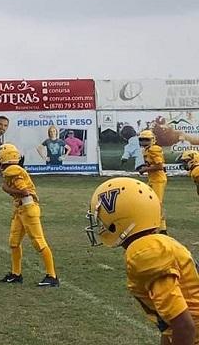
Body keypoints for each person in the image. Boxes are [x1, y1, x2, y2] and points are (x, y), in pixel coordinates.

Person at [87, 177, 199, 343]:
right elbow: (171, 326)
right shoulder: (156, 242)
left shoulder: (145, 252)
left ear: (117, 218)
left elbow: (184, 326)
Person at [0, 143, 58, 287]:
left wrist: (7, 189)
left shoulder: (13, 170)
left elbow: (24, 192)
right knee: (14, 242)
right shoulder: (13, 170)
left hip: (28, 208)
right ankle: (16, 274)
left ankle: (52, 276)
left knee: (38, 242)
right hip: (21, 209)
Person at [137, 129, 167, 233]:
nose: (144, 142)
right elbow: (152, 163)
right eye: (142, 139)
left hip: (158, 180)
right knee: (148, 201)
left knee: (157, 203)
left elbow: (160, 166)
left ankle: (162, 228)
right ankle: (153, 224)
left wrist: (145, 169)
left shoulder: (154, 149)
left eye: (146, 139)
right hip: (152, 179)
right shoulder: (146, 150)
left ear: (152, 140)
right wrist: (144, 167)